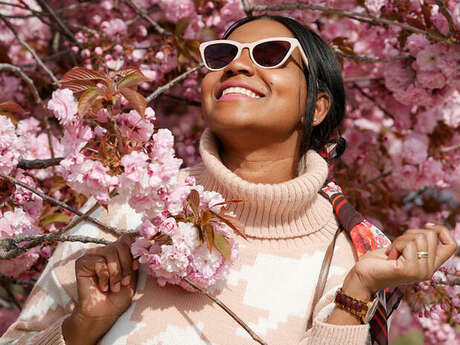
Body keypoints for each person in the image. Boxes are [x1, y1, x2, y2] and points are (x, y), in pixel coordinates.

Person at [1, 15, 457, 345]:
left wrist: (357, 293)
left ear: (317, 107)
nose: (236, 66)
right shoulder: (126, 207)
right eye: (222, 55)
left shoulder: (345, 256)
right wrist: (83, 326)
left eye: (271, 55)